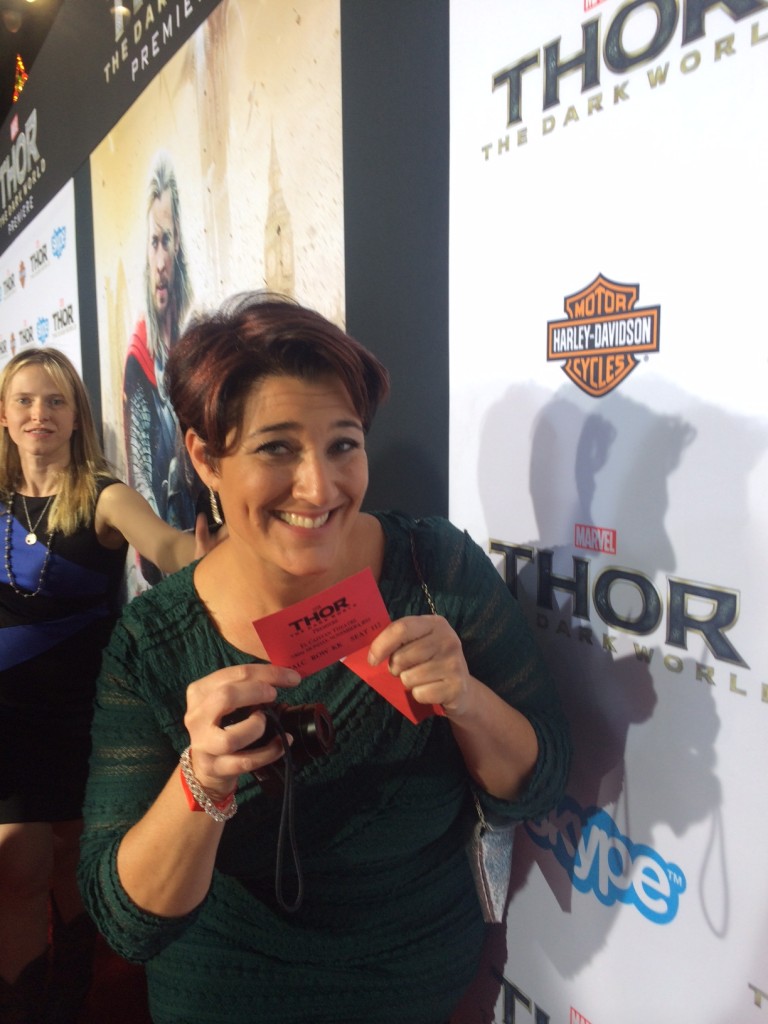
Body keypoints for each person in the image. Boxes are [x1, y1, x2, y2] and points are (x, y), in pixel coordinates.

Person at [79, 293, 572, 1024]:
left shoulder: (433, 570)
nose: (319, 487)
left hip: (421, 986)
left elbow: (538, 783)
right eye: (276, 448)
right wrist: (201, 780)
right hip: (234, 994)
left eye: (343, 445)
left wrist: (467, 699)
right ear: (206, 458)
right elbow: (128, 921)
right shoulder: (157, 642)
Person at [0, 347, 215, 1024]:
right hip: (9, 716)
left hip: (86, 714)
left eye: (55, 401)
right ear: (4, 415)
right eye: (25, 400)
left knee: (73, 857)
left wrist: (213, 549)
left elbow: (169, 549)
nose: (39, 414)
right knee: (19, 867)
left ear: (76, 417)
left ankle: (71, 993)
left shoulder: (105, 495)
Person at [122, 151, 202, 587]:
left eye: (167, 241)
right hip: (169, 572)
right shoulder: (140, 360)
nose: (159, 261)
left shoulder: (193, 344)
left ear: (180, 245)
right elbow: (142, 488)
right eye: (153, 242)